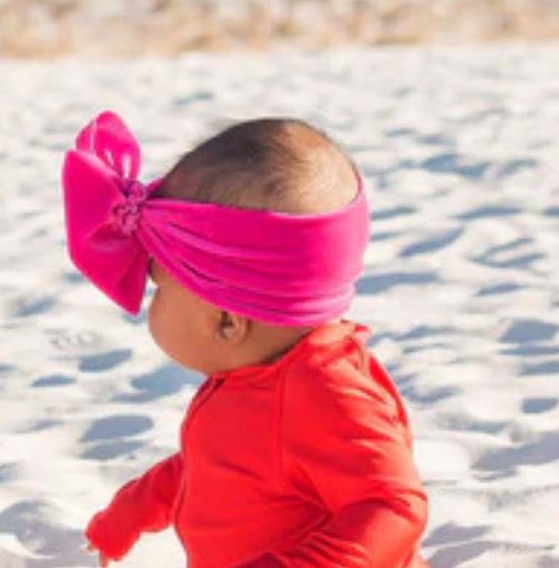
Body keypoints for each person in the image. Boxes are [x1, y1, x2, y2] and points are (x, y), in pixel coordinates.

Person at [62, 112, 429, 566]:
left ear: (227, 322)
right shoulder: (258, 375)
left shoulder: (324, 391)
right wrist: (132, 510)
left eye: (158, 286)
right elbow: (218, 467)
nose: (149, 305)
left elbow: (393, 505)